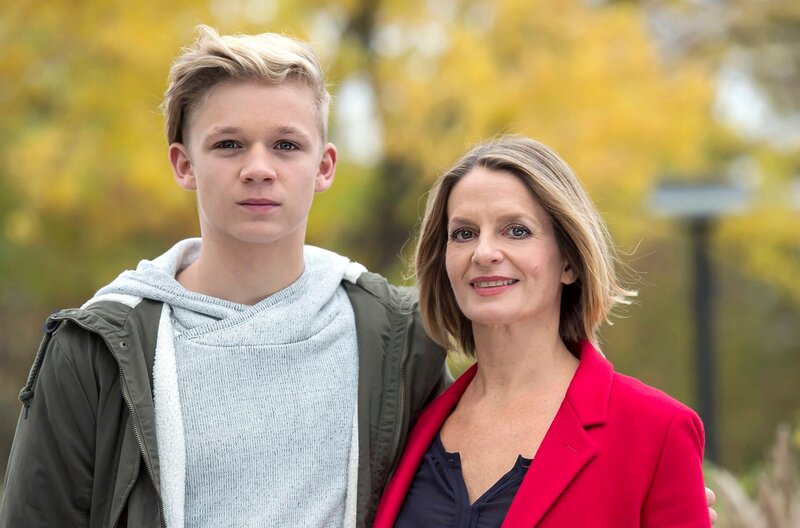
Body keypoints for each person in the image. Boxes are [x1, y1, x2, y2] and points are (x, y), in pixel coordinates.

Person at [0, 25, 447, 528]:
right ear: (184, 164)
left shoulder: (398, 337)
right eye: (230, 144)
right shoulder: (93, 349)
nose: (258, 168)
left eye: (285, 145)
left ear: (324, 167)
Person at [374, 136, 712, 527]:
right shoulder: (409, 426)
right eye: (464, 233)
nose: (483, 253)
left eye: (516, 231)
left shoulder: (656, 432)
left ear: (569, 262)